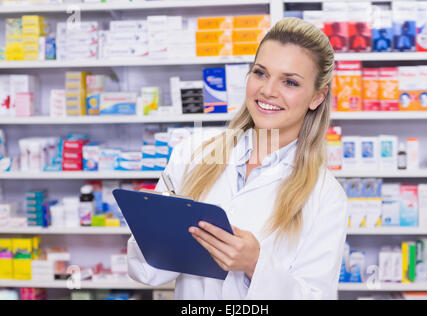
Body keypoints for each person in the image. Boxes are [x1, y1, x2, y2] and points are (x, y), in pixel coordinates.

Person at [127, 17, 348, 300]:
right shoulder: (193, 153)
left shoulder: (325, 197)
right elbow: (147, 272)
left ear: (317, 97)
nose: (268, 90)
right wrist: (156, 225)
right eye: (260, 73)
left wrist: (255, 265)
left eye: (290, 82)